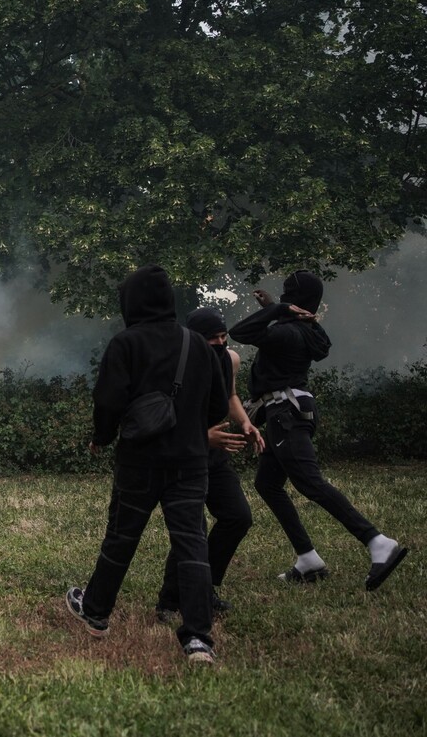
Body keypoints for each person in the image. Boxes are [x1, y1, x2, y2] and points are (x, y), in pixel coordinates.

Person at [65, 265, 228, 663]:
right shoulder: (199, 345)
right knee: (191, 543)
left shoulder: (126, 344)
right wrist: (187, 429)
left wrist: (101, 438)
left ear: (132, 302)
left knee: (122, 536)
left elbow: (107, 402)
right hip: (191, 462)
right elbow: (219, 407)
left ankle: (97, 614)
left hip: (139, 461)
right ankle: (197, 638)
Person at [228, 270, 409, 590]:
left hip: (286, 414)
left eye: (285, 297)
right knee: (267, 484)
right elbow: (323, 344)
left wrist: (275, 310)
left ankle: (378, 542)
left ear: (292, 302)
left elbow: (239, 332)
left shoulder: (287, 332)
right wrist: (283, 310)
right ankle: (308, 559)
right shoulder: (308, 331)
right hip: (291, 412)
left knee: (310, 482)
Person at [155, 307, 261, 623]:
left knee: (237, 517)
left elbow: (229, 396)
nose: (218, 342)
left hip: (214, 456)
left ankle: (205, 589)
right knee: (193, 528)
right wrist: (203, 436)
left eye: (222, 335)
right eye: (211, 337)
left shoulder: (230, 359)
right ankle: (169, 602)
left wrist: (245, 423)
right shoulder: (177, 363)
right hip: (182, 454)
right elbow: (162, 415)